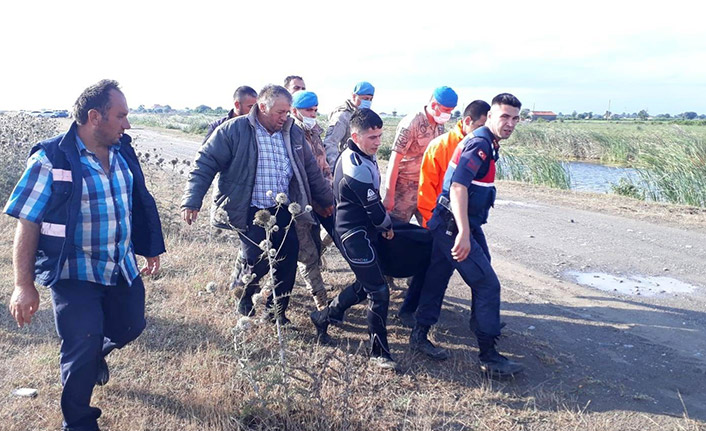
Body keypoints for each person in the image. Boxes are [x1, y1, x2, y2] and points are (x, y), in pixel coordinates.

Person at [5, 79, 165, 431]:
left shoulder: (123, 151)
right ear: (95, 116)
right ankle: (77, 421)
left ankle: (96, 354)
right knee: (80, 348)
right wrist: (23, 285)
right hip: (73, 271)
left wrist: (150, 247)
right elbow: (27, 222)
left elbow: (139, 201)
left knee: (131, 326)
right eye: (121, 115)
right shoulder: (51, 158)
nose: (127, 124)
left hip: (121, 266)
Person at [181, 85, 333, 324]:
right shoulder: (234, 130)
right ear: (262, 107)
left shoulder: (292, 132)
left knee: (288, 256)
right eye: (280, 112)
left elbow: (311, 170)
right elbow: (205, 162)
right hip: (250, 209)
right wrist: (192, 199)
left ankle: (276, 314)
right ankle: (244, 294)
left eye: (287, 112)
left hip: (283, 208)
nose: (285, 117)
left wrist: (326, 199)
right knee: (256, 259)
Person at [409, 93, 525, 377]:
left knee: (438, 277)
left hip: (451, 223)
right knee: (487, 285)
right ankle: (488, 356)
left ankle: (420, 335)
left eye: (515, 118)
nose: (509, 123)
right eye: (504, 117)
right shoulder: (480, 144)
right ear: (491, 117)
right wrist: (462, 233)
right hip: (453, 226)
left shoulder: (488, 141)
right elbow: (458, 187)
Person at [310, 108, 398, 369]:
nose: (378, 142)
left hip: (364, 230)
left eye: (380, 136)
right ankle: (379, 353)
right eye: (373, 137)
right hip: (353, 234)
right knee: (379, 291)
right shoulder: (354, 164)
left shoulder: (364, 154)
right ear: (355, 136)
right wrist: (387, 226)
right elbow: (374, 208)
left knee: (367, 283)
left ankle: (325, 315)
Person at [382, 86, 457, 225]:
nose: (449, 115)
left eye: (451, 111)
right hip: (404, 189)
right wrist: (389, 196)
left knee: (433, 231)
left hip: (427, 188)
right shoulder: (412, 123)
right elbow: (394, 160)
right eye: (447, 110)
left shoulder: (439, 125)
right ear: (434, 105)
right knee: (395, 231)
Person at [290, 90, 333, 310]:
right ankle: (321, 303)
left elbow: (322, 167)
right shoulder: (289, 133)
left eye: (315, 110)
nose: (313, 114)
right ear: (294, 110)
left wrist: (327, 194)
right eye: (308, 110)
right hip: (298, 204)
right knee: (307, 255)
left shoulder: (314, 131)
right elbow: (300, 176)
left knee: (313, 248)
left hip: (317, 200)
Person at [417, 100, 490, 228]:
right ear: (467, 121)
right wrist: (435, 224)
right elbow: (426, 190)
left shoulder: (485, 147)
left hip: (466, 222)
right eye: (480, 127)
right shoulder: (440, 146)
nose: (483, 132)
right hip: (439, 222)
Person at [322, 81, 375, 169]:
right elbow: (330, 143)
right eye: (365, 99)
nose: (368, 102)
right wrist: (336, 168)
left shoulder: (365, 115)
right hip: (347, 166)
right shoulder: (342, 116)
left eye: (370, 99)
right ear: (354, 96)